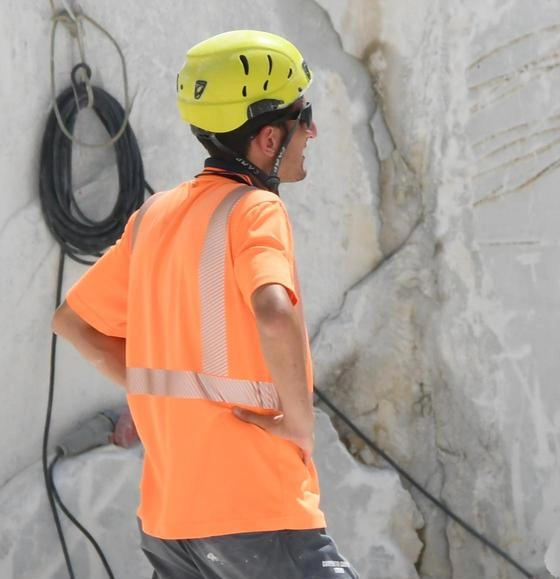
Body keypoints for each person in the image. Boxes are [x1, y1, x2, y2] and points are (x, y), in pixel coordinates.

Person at [51, 30, 358, 579]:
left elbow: (73, 322)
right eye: (302, 117)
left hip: (172, 523)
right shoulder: (256, 210)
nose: (311, 131)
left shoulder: (154, 217)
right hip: (256, 508)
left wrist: (151, 389)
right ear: (268, 138)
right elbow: (272, 310)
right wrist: (300, 421)